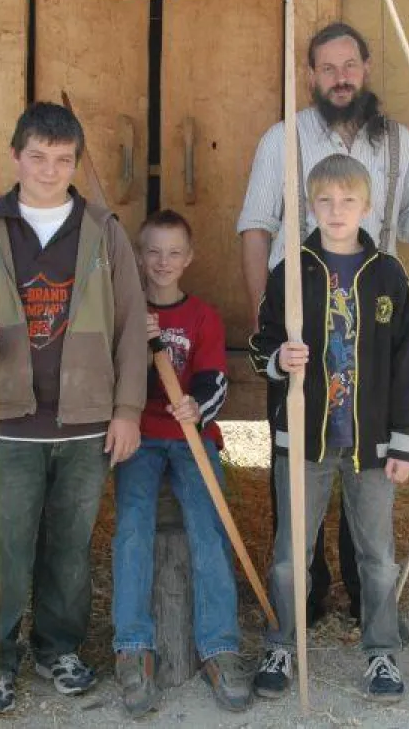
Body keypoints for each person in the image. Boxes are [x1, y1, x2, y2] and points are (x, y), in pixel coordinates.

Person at [237, 21, 409, 622]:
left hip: (373, 327)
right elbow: (256, 225)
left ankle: (367, 600)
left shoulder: (397, 143)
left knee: (366, 459)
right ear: (312, 75)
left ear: (365, 68)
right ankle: (302, 599)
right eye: (328, 68)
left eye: (350, 66)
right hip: (300, 328)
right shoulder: (283, 139)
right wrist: (272, 319)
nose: (340, 78)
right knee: (300, 457)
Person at [0, 102, 146, 714]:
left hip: (85, 420)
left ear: (75, 161)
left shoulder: (102, 231)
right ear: (15, 157)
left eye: (62, 160)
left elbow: (132, 327)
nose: (49, 171)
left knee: (69, 546)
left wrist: (127, 408)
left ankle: (61, 649)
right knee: (4, 546)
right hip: (10, 419)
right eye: (37, 158)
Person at [248, 154, 409, 703]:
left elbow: (405, 363)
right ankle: (282, 642)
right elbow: (261, 347)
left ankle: (381, 652)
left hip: (370, 443)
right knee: (289, 553)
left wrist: (405, 440)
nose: (336, 211)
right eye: (323, 201)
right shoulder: (291, 272)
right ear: (309, 206)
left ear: (368, 207)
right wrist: (282, 358)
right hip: (303, 437)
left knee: (376, 555)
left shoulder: (388, 276)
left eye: (348, 201)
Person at [111, 210, 250, 717]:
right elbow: (110, 377)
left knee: (209, 529)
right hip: (141, 437)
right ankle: (132, 647)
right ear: (138, 256)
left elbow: (213, 381)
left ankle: (220, 648)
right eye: (153, 251)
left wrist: (196, 407)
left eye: (174, 252)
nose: (163, 261)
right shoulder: (124, 312)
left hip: (192, 435)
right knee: (132, 528)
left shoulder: (203, 318)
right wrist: (132, 334)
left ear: (188, 259)